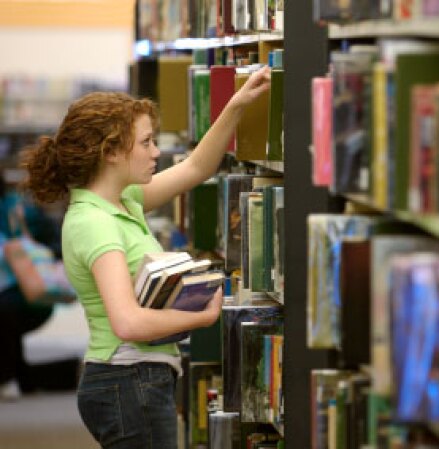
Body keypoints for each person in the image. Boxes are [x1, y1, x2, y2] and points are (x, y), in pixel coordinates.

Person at [20, 66, 271, 448]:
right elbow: (128, 321)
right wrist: (201, 316)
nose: (156, 152)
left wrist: (236, 104)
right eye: (147, 143)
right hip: (128, 379)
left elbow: (196, 167)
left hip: (135, 379)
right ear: (112, 152)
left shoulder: (124, 200)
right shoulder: (94, 222)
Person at [0, 186, 70, 400]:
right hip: (15, 295)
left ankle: (7, 379)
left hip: (25, 293)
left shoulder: (15, 208)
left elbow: (50, 238)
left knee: (4, 317)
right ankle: (21, 380)